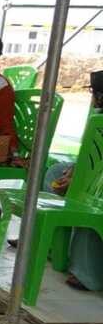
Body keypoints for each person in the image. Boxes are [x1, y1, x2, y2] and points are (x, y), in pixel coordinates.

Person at [37, 69, 103, 291]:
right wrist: (75, 170)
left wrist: (81, 176)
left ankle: (87, 273)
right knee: (56, 171)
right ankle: (54, 246)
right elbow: (93, 154)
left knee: (89, 199)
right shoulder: (97, 119)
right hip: (94, 175)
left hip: (97, 184)